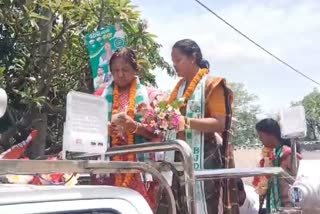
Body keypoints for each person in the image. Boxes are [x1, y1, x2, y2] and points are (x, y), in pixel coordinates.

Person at [157, 39, 239, 214]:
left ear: (193, 58)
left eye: (178, 60)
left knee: (203, 208)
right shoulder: (178, 89)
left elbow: (220, 123)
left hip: (204, 156)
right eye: (173, 62)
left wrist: (185, 122)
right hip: (178, 159)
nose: (174, 65)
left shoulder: (211, 85)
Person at [93, 48, 158, 211]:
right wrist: (103, 130)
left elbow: (156, 132)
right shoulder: (100, 95)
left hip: (139, 168)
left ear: (135, 70)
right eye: (116, 70)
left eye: (125, 70)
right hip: (108, 168)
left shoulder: (150, 95)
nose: (120, 74)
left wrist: (134, 127)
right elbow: (89, 129)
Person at [255, 118, 302, 212]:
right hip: (279, 208)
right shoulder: (276, 154)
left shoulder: (287, 153)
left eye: (260, 135)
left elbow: (300, 181)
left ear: (270, 134)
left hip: (289, 207)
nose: (259, 139)